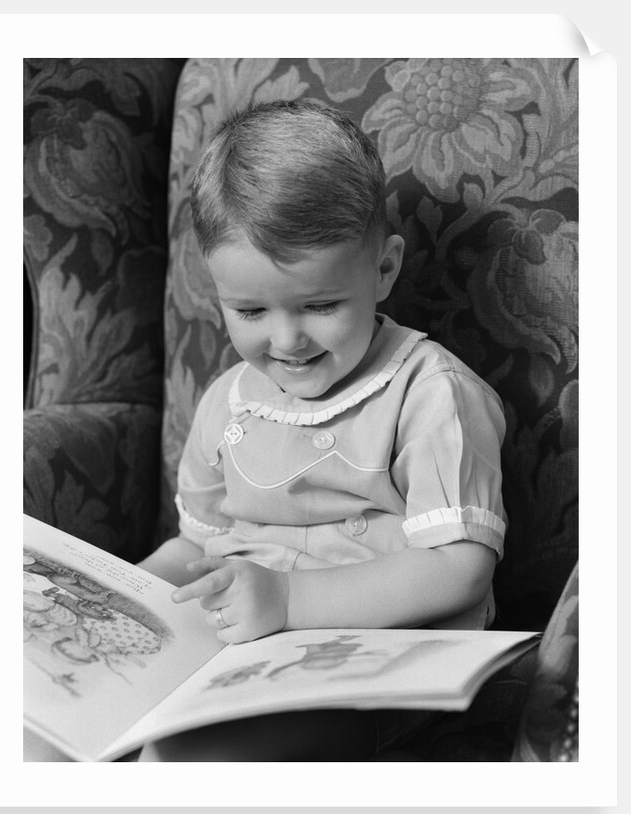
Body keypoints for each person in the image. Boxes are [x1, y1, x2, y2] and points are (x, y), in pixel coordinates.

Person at [137, 99, 506, 761]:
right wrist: (130, 594)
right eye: (250, 311)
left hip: (371, 670)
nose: (287, 341)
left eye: (321, 304)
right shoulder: (228, 403)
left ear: (383, 269)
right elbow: (195, 547)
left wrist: (288, 600)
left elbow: (460, 569)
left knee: (193, 761)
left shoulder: (429, 393)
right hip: (236, 657)